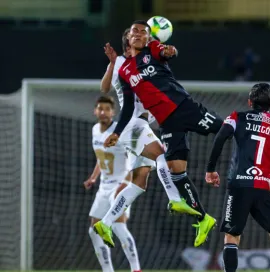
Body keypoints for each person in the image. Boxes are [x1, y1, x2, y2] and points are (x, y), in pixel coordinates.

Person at [103, 20, 223, 247]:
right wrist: (117, 132)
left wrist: (171, 50)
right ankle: (203, 218)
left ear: (149, 38)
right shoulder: (126, 71)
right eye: (134, 32)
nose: (138, 34)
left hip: (183, 108)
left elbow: (170, 52)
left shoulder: (153, 49)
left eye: (143, 32)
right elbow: (128, 106)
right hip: (167, 123)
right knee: (175, 171)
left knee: (226, 129)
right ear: (128, 39)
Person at [205, 83, 270, 272]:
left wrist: (211, 169)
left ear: (249, 101)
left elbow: (220, 138)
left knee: (231, 237)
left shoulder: (237, 117)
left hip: (239, 185)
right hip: (265, 187)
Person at [84, 95, 141, 272]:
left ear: (113, 112)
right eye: (100, 108)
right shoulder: (95, 130)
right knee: (94, 231)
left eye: (107, 109)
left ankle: (136, 269)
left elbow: (135, 158)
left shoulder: (120, 130)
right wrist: (93, 177)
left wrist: (126, 183)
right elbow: (101, 158)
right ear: (95, 111)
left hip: (119, 185)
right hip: (103, 186)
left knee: (117, 225)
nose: (103, 112)